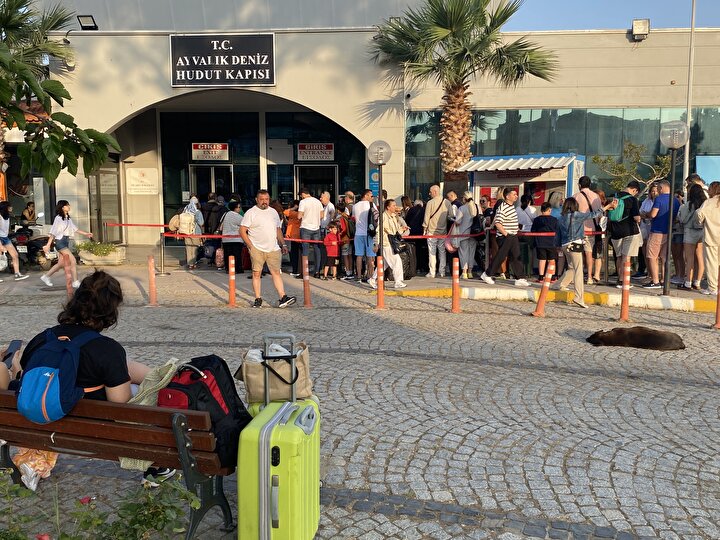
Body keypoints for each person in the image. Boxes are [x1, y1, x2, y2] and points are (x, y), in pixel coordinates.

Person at [1, 271, 166, 490]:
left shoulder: (43, 339)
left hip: (45, 422)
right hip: (94, 429)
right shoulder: (108, 349)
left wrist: (14, 368)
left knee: (121, 368)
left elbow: (29, 379)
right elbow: (120, 401)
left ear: (76, 302)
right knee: (140, 388)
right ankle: (159, 461)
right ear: (111, 311)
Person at [553, 197, 617, 308]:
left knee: (572, 268)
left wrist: (558, 246)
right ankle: (578, 297)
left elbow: (557, 235)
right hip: (575, 245)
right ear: (575, 205)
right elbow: (594, 214)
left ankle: (558, 284)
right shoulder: (576, 215)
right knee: (578, 271)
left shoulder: (561, 218)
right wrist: (607, 206)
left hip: (564, 245)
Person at [239, 190, 296, 308]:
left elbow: (277, 229)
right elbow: (242, 230)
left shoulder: (273, 212)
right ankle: (258, 298)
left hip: (273, 248)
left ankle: (283, 297)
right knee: (256, 273)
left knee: (276, 273)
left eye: (266, 199)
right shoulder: (251, 212)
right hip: (257, 248)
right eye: (262, 199)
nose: (264, 202)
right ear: (257, 200)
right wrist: (250, 246)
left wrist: (283, 244)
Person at [480, 188, 529, 287]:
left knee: (516, 256)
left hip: (512, 235)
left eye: (516, 194)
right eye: (514, 194)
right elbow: (498, 223)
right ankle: (487, 274)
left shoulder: (511, 207)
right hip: (506, 236)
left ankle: (520, 278)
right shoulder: (503, 207)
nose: (516, 196)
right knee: (501, 256)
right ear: (507, 196)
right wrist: (506, 234)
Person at [39, 200, 92, 287]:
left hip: (65, 241)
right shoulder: (58, 218)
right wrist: (48, 245)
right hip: (60, 242)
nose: (69, 206)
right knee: (73, 260)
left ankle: (46, 276)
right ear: (63, 207)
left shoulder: (67, 218)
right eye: (67, 205)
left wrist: (86, 234)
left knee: (61, 264)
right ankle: (75, 282)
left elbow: (75, 229)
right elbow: (53, 232)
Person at [643, 180, 680, 289]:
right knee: (664, 257)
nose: (657, 191)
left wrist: (646, 214)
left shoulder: (659, 199)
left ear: (662, 188)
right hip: (668, 231)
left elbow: (653, 214)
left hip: (657, 230)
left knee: (652, 256)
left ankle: (655, 281)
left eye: (658, 188)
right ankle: (664, 279)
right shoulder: (676, 200)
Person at [608, 180, 642, 288]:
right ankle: (623, 281)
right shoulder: (632, 199)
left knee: (618, 256)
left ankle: (619, 279)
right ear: (634, 190)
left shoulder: (614, 196)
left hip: (615, 231)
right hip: (629, 231)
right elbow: (636, 217)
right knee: (626, 257)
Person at [368, 199, 408, 289]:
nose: (395, 207)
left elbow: (395, 231)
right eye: (393, 205)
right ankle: (398, 281)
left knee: (384, 264)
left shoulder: (393, 217)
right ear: (388, 207)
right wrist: (376, 243)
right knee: (397, 261)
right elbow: (378, 230)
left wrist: (402, 229)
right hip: (386, 243)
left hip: (391, 243)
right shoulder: (384, 217)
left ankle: (372, 279)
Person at [573, 176, 602, 285]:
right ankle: (589, 277)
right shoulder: (596, 196)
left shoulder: (576, 196)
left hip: (577, 229)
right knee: (589, 253)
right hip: (592, 229)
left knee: (577, 253)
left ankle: (577, 275)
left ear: (579, 185)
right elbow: (600, 213)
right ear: (590, 185)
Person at [677, 184, 706, 290]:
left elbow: (681, 219)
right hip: (701, 231)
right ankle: (697, 282)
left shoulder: (688, 205)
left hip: (690, 231)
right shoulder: (704, 204)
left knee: (689, 258)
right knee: (699, 258)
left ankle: (688, 282)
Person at [423, 184, 452, 278]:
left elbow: (426, 217)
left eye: (430, 192)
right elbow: (451, 216)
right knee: (442, 252)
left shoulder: (430, 203)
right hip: (443, 231)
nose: (429, 194)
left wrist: (424, 228)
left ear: (435, 192)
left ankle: (432, 272)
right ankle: (442, 272)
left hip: (431, 231)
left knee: (432, 252)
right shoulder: (447, 202)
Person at [696, 181, 720, 296]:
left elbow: (699, 214)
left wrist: (701, 222)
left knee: (711, 264)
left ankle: (712, 287)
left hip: (711, 236)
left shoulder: (708, 202)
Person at [352, 189, 377, 281]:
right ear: (366, 196)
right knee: (370, 256)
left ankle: (359, 276)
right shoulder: (371, 205)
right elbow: (376, 217)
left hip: (358, 233)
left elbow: (354, 218)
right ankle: (370, 276)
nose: (372, 197)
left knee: (359, 255)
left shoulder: (355, 206)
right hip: (368, 233)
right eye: (371, 196)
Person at [297, 188, 323, 277]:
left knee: (305, 250)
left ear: (303, 194)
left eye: (301, 196)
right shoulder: (318, 202)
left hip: (305, 227)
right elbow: (321, 215)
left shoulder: (303, 202)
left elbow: (299, 216)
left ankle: (305, 272)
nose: (301, 197)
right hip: (316, 228)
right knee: (317, 249)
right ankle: (317, 271)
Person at [0, 201, 28, 281]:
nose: (11, 208)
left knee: (15, 255)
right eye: (10, 206)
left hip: (5, 238)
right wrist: (1, 245)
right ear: (6, 208)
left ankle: (17, 274)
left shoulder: (7, 216)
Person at [531, 202, 559, 281]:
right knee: (552, 259)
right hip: (552, 243)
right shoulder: (554, 220)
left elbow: (533, 230)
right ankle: (552, 276)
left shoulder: (537, 220)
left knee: (542, 259)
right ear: (549, 210)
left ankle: (541, 276)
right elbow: (557, 231)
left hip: (540, 242)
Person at [636, 182, 658, 279]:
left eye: (656, 191)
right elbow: (640, 213)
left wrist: (648, 215)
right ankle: (648, 272)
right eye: (652, 191)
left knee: (654, 252)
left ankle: (654, 274)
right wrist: (646, 215)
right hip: (645, 226)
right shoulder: (646, 201)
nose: (654, 193)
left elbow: (654, 215)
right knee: (645, 249)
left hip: (654, 227)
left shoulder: (659, 201)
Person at [454, 191, 478, 279]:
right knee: (471, 253)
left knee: (463, 253)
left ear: (464, 198)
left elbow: (458, 221)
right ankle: (470, 272)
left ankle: (464, 273)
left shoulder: (462, 208)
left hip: (463, 233)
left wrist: (453, 220)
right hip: (474, 234)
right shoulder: (476, 207)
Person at [218, 201, 244, 275]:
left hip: (226, 238)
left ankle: (228, 268)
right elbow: (245, 224)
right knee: (237, 255)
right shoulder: (238, 216)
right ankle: (238, 269)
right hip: (236, 238)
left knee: (227, 254)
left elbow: (221, 223)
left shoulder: (225, 214)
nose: (240, 209)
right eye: (238, 207)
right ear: (235, 208)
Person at [178, 196, 204, 270]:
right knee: (195, 248)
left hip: (186, 232)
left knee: (188, 248)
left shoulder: (185, 211)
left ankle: (190, 264)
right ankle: (194, 263)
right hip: (195, 232)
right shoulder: (197, 212)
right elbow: (201, 223)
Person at [283, 200, 302, 277]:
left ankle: (295, 270)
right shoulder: (300, 214)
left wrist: (294, 208)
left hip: (294, 235)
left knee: (294, 254)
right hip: (298, 235)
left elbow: (285, 212)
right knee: (297, 253)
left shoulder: (294, 213)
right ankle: (297, 269)